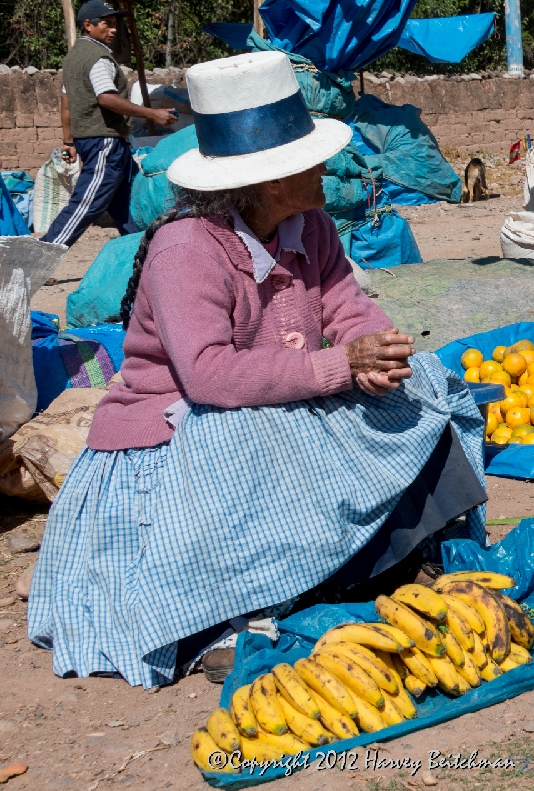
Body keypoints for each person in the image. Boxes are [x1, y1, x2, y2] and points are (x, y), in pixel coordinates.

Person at [29, 52, 487, 689]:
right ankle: (235, 610)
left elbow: (349, 309)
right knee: (243, 433)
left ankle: (400, 554)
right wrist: (339, 366)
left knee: (428, 381)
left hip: (282, 396)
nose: (327, 170)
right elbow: (210, 378)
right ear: (270, 180)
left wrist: (375, 352)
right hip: (178, 434)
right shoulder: (186, 248)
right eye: (312, 161)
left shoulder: (311, 226)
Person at [40, 0, 176, 248]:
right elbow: (106, 98)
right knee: (86, 204)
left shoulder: (73, 58)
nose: (113, 30)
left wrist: (69, 140)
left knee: (128, 204)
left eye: (115, 24)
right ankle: (43, 255)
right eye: (107, 24)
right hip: (104, 141)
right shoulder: (98, 57)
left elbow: (66, 100)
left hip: (96, 141)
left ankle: (145, 253)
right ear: (88, 25)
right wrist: (152, 114)